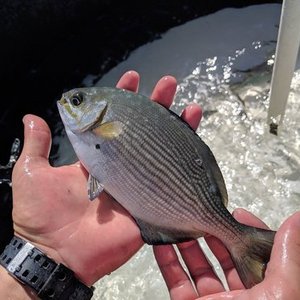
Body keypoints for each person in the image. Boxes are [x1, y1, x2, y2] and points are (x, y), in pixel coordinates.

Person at [0, 71, 299, 299]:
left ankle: (244, 242)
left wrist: (29, 270)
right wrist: (45, 251)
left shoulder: (98, 127)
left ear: (99, 112)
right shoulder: (96, 129)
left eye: (77, 101)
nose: (69, 102)